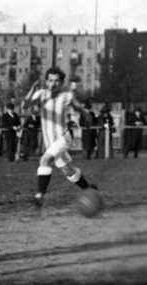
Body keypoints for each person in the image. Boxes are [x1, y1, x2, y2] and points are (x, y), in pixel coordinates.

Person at [23, 67, 98, 208]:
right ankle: (88, 189)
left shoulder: (66, 96)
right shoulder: (41, 94)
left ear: (62, 83)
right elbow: (24, 106)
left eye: (57, 81)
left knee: (44, 160)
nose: (53, 84)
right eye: (50, 80)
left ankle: (40, 195)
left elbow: (77, 106)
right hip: (51, 143)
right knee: (68, 171)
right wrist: (32, 90)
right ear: (46, 81)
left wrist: (85, 114)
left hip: (63, 138)